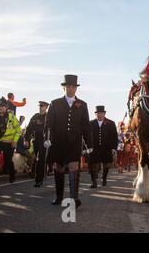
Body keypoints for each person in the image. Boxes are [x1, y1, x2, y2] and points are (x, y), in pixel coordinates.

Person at [44, 75, 92, 208]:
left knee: (73, 167)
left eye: (73, 87)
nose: (71, 89)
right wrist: (47, 138)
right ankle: (59, 197)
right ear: (64, 88)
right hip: (58, 142)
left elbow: (86, 126)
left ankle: (74, 198)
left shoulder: (82, 105)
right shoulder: (55, 103)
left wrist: (90, 144)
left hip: (74, 142)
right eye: (68, 87)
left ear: (76, 88)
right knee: (58, 169)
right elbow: (49, 124)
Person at [89, 106, 118, 188]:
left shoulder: (111, 123)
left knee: (106, 164)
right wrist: (88, 146)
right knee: (92, 165)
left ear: (104, 113)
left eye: (101, 113)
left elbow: (114, 137)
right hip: (94, 148)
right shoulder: (91, 123)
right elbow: (87, 135)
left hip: (107, 148)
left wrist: (113, 148)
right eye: (98, 113)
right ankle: (94, 182)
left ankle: (104, 179)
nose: (99, 115)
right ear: (95, 114)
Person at [0, 97, 21, 185]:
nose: (0, 107)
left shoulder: (12, 118)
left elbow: (18, 130)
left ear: (6, 107)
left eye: (2, 106)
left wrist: (15, 141)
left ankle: (12, 174)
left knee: (8, 161)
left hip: (8, 142)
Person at [25, 101, 49, 187]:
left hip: (44, 141)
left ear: (46, 107)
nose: (40, 107)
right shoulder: (35, 116)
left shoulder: (48, 117)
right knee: (36, 158)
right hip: (36, 140)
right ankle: (35, 173)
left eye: (42, 106)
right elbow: (29, 128)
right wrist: (26, 139)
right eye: (40, 106)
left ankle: (39, 180)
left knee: (40, 159)